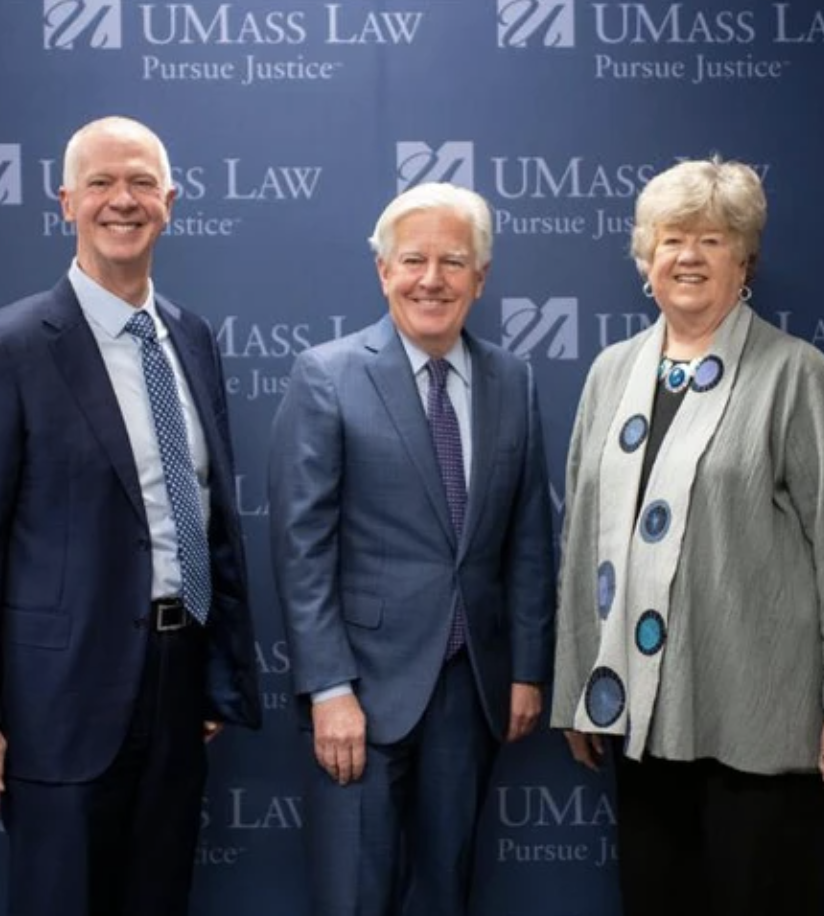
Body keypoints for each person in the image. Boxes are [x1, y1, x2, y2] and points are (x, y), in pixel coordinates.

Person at [0, 115, 261, 916]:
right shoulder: (4, 350)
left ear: (171, 202)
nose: (123, 199)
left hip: (178, 693)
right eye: (102, 182)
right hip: (57, 706)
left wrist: (213, 676)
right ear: (65, 200)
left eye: (142, 182)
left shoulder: (192, 337)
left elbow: (207, 523)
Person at [551, 156, 824, 916]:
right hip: (644, 719)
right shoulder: (611, 373)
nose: (689, 257)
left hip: (765, 721)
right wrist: (582, 686)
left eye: (712, 239)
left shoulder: (797, 376)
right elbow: (580, 543)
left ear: (746, 261)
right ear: (646, 260)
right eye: (672, 239)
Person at [267, 182, 555, 916]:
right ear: (383, 272)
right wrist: (328, 689)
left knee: (446, 894)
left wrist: (526, 668)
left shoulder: (513, 381)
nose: (432, 279)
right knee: (355, 898)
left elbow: (528, 536)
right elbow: (302, 550)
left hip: (472, 688)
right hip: (360, 693)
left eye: (453, 262)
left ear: (481, 278)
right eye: (414, 260)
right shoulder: (327, 376)